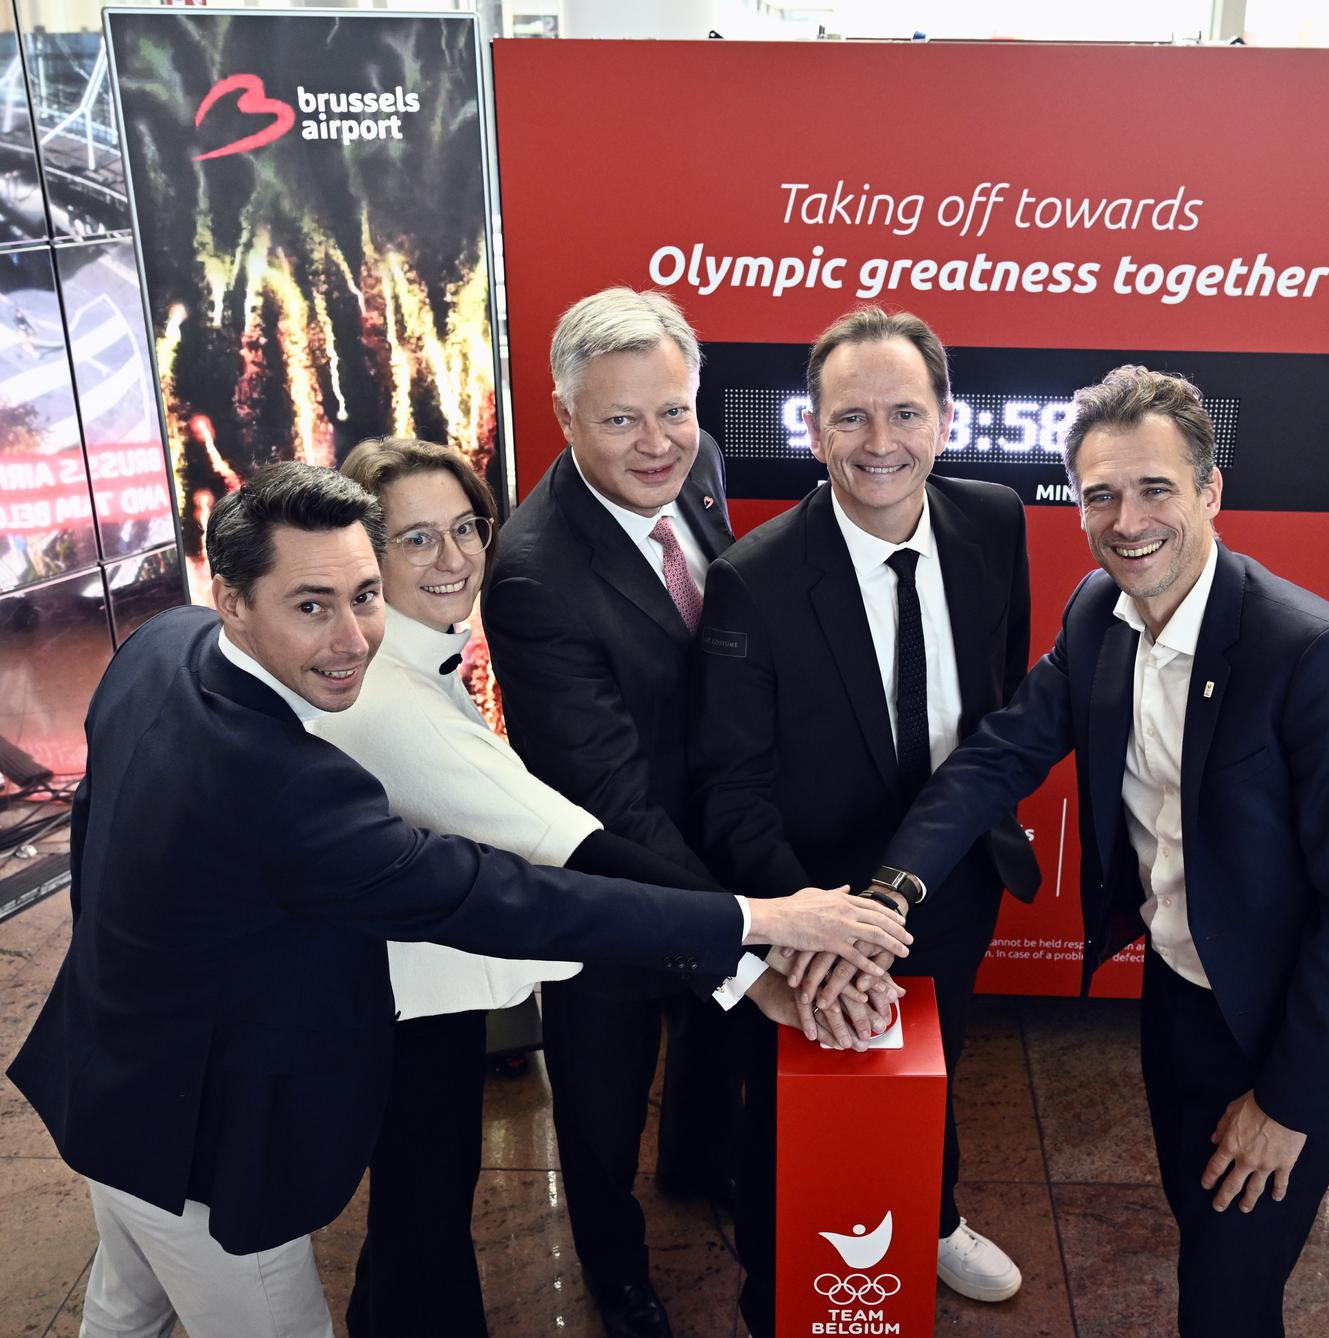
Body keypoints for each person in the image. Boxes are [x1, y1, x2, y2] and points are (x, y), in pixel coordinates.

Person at [4, 461, 907, 1338]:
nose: (353, 638)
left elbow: (97, 826)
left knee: (121, 1313)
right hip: (200, 1144)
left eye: (363, 595)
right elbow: (515, 897)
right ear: (233, 600)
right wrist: (758, 923)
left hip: (111, 1081)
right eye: (311, 606)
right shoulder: (286, 785)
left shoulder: (159, 644)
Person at [811, 366, 1329, 1336]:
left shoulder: (1321, 660)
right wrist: (891, 890)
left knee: (1226, 1290)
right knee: (1206, 1234)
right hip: (1182, 997)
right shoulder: (1098, 617)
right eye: (1100, 494)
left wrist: (1287, 1102)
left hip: (1308, 1031)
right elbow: (995, 758)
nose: (1126, 519)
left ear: (1211, 493)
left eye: (1155, 490)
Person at [313, 437, 818, 1337]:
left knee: (414, 1213)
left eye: (465, 527)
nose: (456, 556)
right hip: (401, 1008)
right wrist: (760, 946)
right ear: (364, 553)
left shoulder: (416, 649)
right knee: (427, 1214)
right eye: (416, 540)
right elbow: (578, 850)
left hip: (424, 984)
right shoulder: (399, 701)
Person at [693, 306, 1040, 1330]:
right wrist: (809, 938)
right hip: (817, 897)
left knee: (935, 1064)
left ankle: (930, 1221)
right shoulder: (751, 579)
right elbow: (734, 788)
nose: (877, 442)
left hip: (955, 876)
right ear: (813, 430)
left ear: (945, 422)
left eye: (903, 413)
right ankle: (773, 1291)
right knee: (793, 1109)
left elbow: (999, 700)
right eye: (850, 418)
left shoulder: (994, 520)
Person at [481, 288, 745, 1338]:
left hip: (711, 837)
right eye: (621, 420)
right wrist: (733, 918)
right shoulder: (537, 574)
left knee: (713, 1044)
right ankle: (615, 1273)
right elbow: (608, 795)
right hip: (610, 875)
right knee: (599, 1099)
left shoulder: (704, 466)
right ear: (565, 415)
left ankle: (697, 1168)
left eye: (673, 410)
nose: (658, 443)